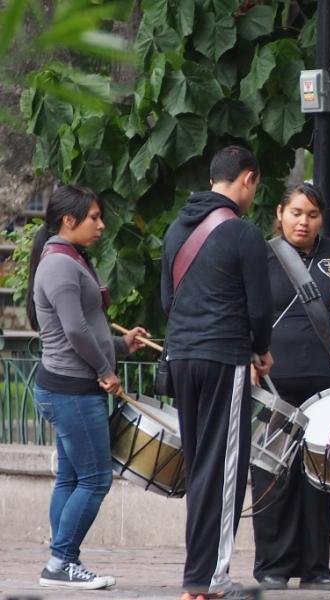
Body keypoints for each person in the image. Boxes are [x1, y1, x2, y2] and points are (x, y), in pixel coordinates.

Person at [161, 146, 273, 600]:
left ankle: (198, 574)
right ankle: (208, 579)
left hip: (181, 358)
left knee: (200, 465)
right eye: (255, 185)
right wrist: (260, 350)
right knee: (224, 469)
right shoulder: (242, 233)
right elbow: (260, 308)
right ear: (247, 178)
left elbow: (168, 303)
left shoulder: (174, 230)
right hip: (223, 357)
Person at [27, 185, 147, 589]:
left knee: (72, 478)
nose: (101, 224)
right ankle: (62, 562)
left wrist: (119, 346)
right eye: (93, 217)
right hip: (72, 391)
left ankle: (60, 560)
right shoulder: (60, 265)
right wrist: (105, 370)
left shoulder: (69, 258)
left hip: (70, 386)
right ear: (68, 221)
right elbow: (75, 331)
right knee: (95, 479)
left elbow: (84, 328)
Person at [249, 182, 330, 591]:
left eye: (311, 214)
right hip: (273, 386)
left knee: (319, 477)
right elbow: (243, 311)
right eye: (295, 213)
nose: (303, 222)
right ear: (280, 213)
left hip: (328, 389)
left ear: (321, 218)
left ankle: (316, 567)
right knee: (271, 474)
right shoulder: (259, 256)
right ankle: (272, 565)